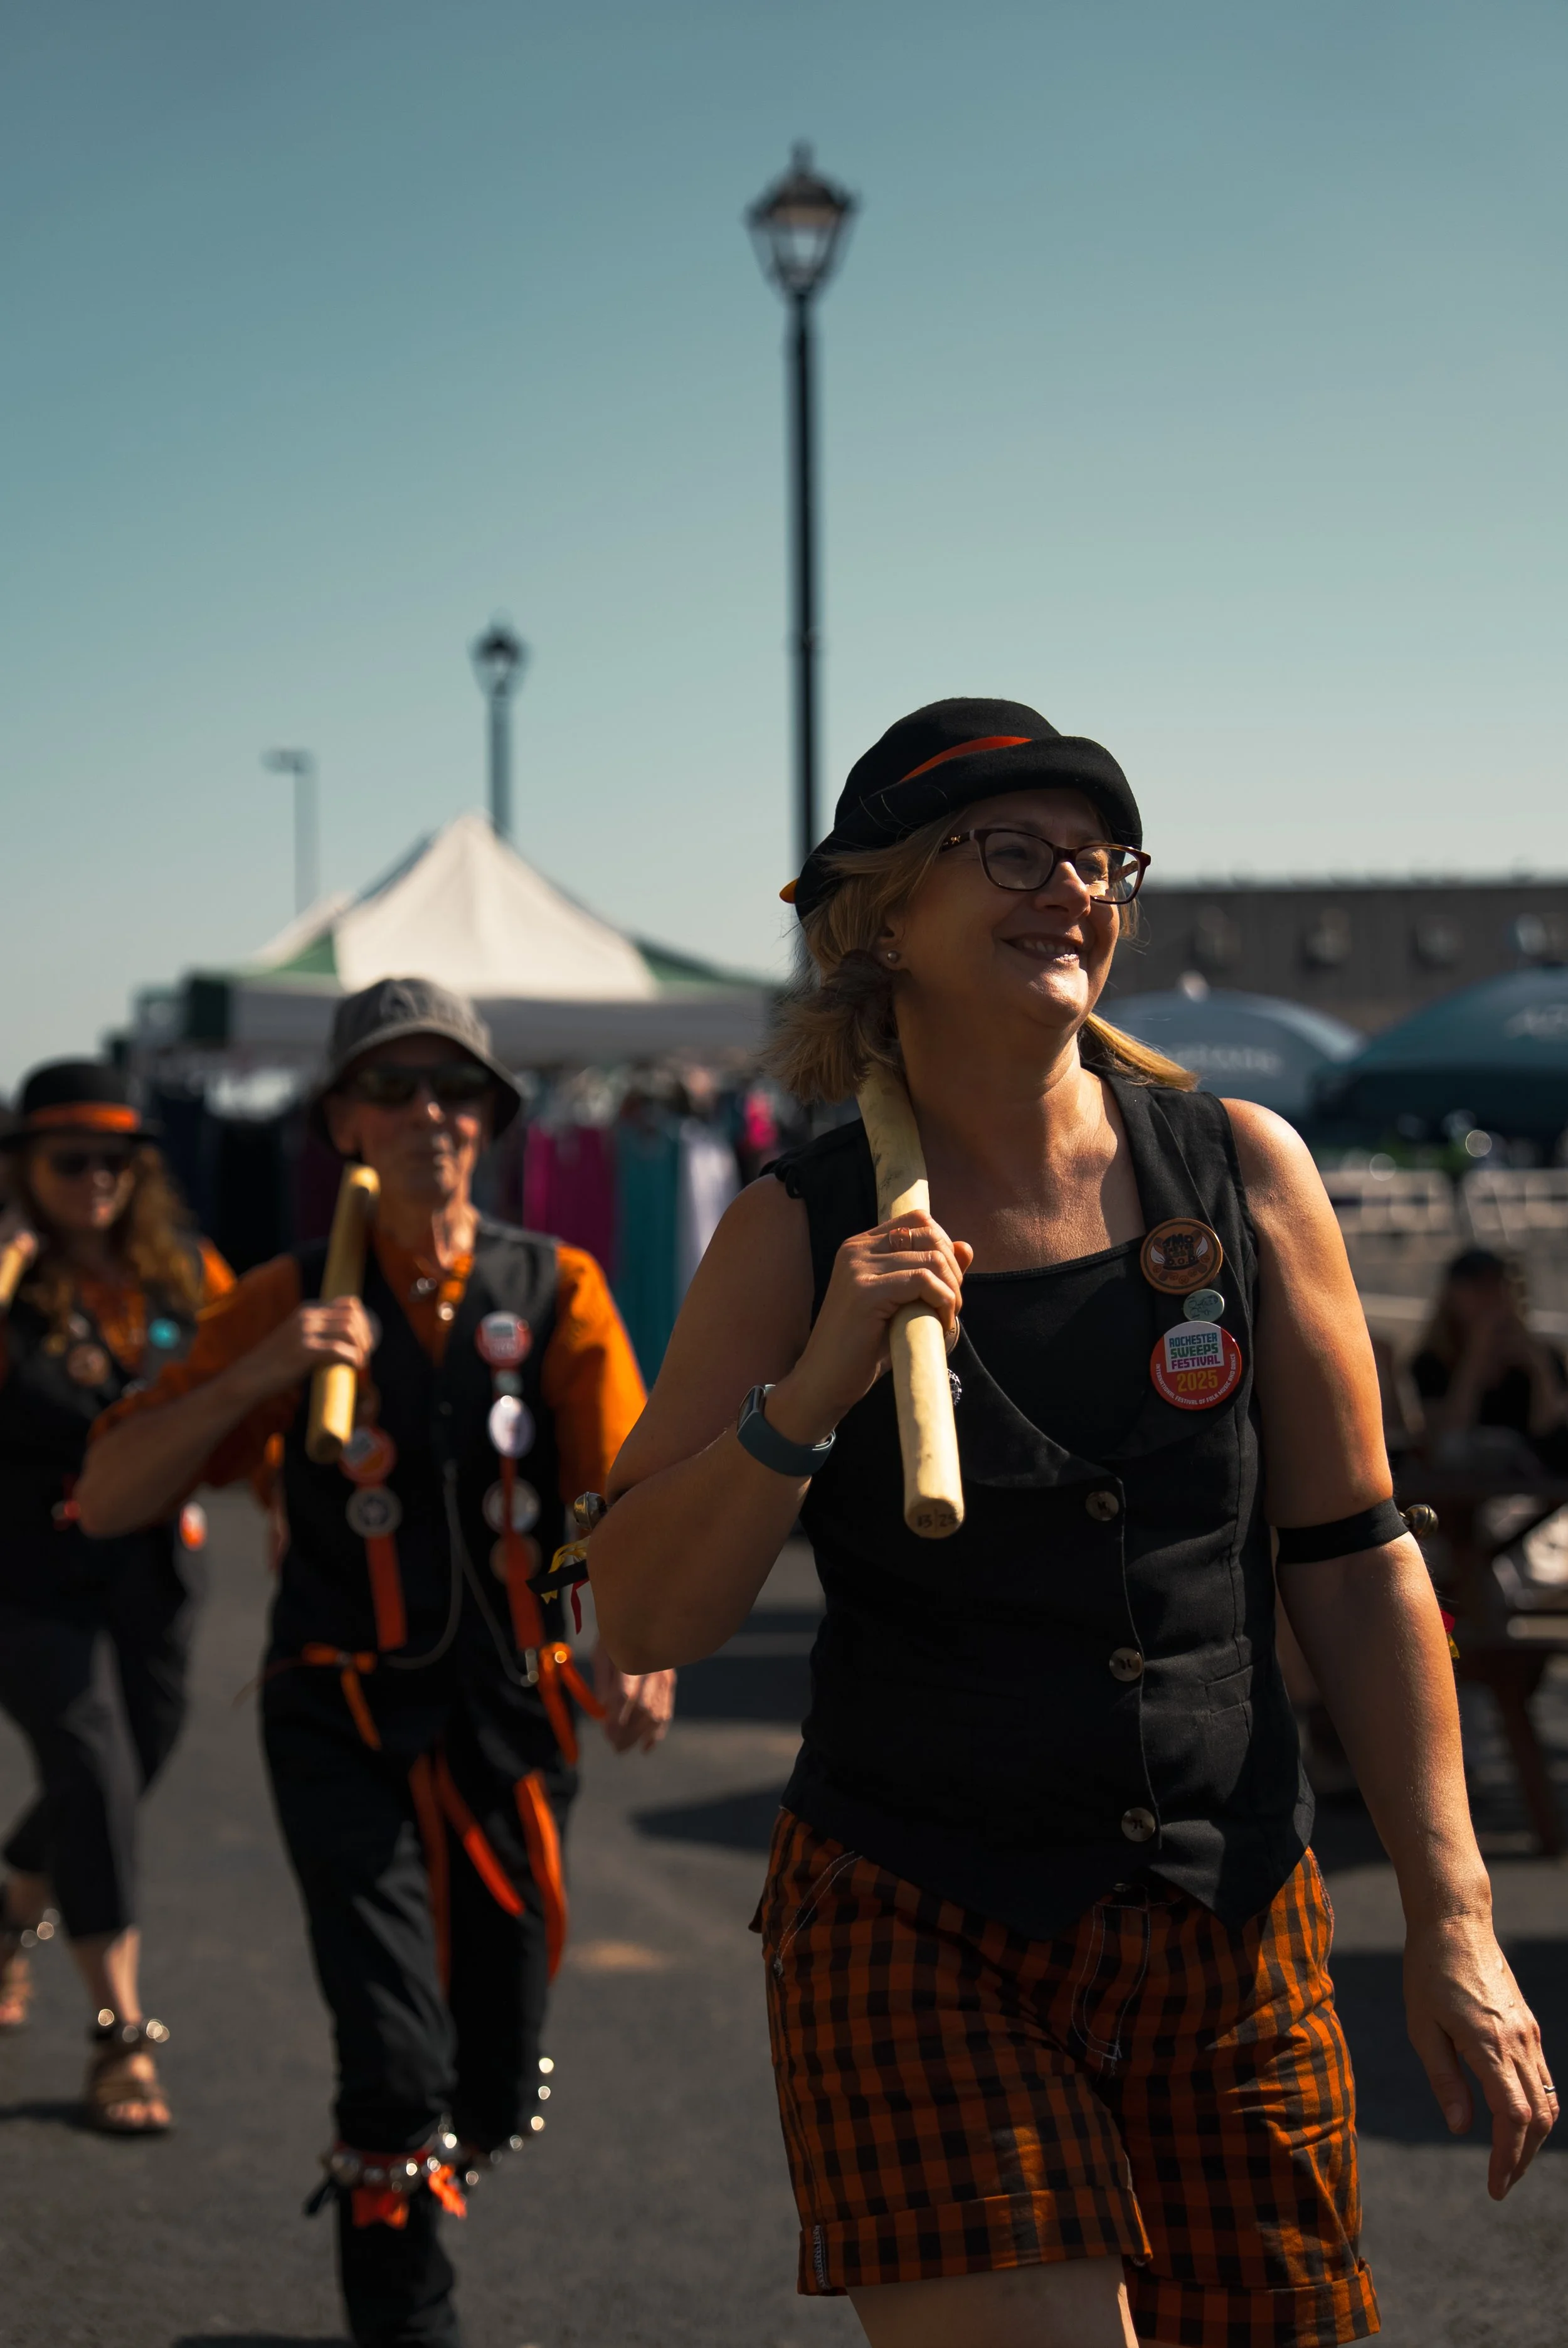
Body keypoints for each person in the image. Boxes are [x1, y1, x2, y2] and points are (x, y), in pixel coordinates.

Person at [588, 700, 1555, 2348]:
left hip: (1231, 1906)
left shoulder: (1242, 1168)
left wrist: (1454, 1915)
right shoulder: (789, 1225)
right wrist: (808, 1387)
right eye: (1015, 853)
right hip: (915, 1907)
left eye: (1101, 859)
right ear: (884, 912)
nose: (1074, 890)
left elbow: (1353, 1553)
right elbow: (643, 1614)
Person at [80, 979, 675, 2348]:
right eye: (396, 1088)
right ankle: (408, 2315)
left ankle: (413, 2181)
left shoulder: (558, 1286)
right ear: (343, 1115)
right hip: (336, 1712)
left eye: (455, 1091)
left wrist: (632, 1636)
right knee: (392, 2062)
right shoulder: (284, 1296)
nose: (430, 1116)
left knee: (491, 2065)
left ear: (492, 1119)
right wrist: (256, 1376)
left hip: (514, 1721)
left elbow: (621, 1492)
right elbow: (111, 1491)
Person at [0, 1060, 231, 2131]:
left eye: (115, 1158)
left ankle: (11, 1905)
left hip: (157, 1572)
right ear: (23, 1167)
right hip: (32, 1575)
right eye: (69, 1158)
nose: (95, 1178)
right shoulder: (11, 1277)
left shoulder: (183, 1271)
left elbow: (249, 1387)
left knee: (126, 1766)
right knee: (92, 1767)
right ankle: (121, 2036)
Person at [1411, 1245, 1568, 1474]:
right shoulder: (1431, 1362)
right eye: (1477, 1288)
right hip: (1468, 1479)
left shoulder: (1543, 1355)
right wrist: (1475, 1359)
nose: (1488, 1298)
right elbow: (1445, 1436)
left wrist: (1538, 1368)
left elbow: (1551, 1429)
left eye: (1496, 1286)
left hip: (1532, 1470)